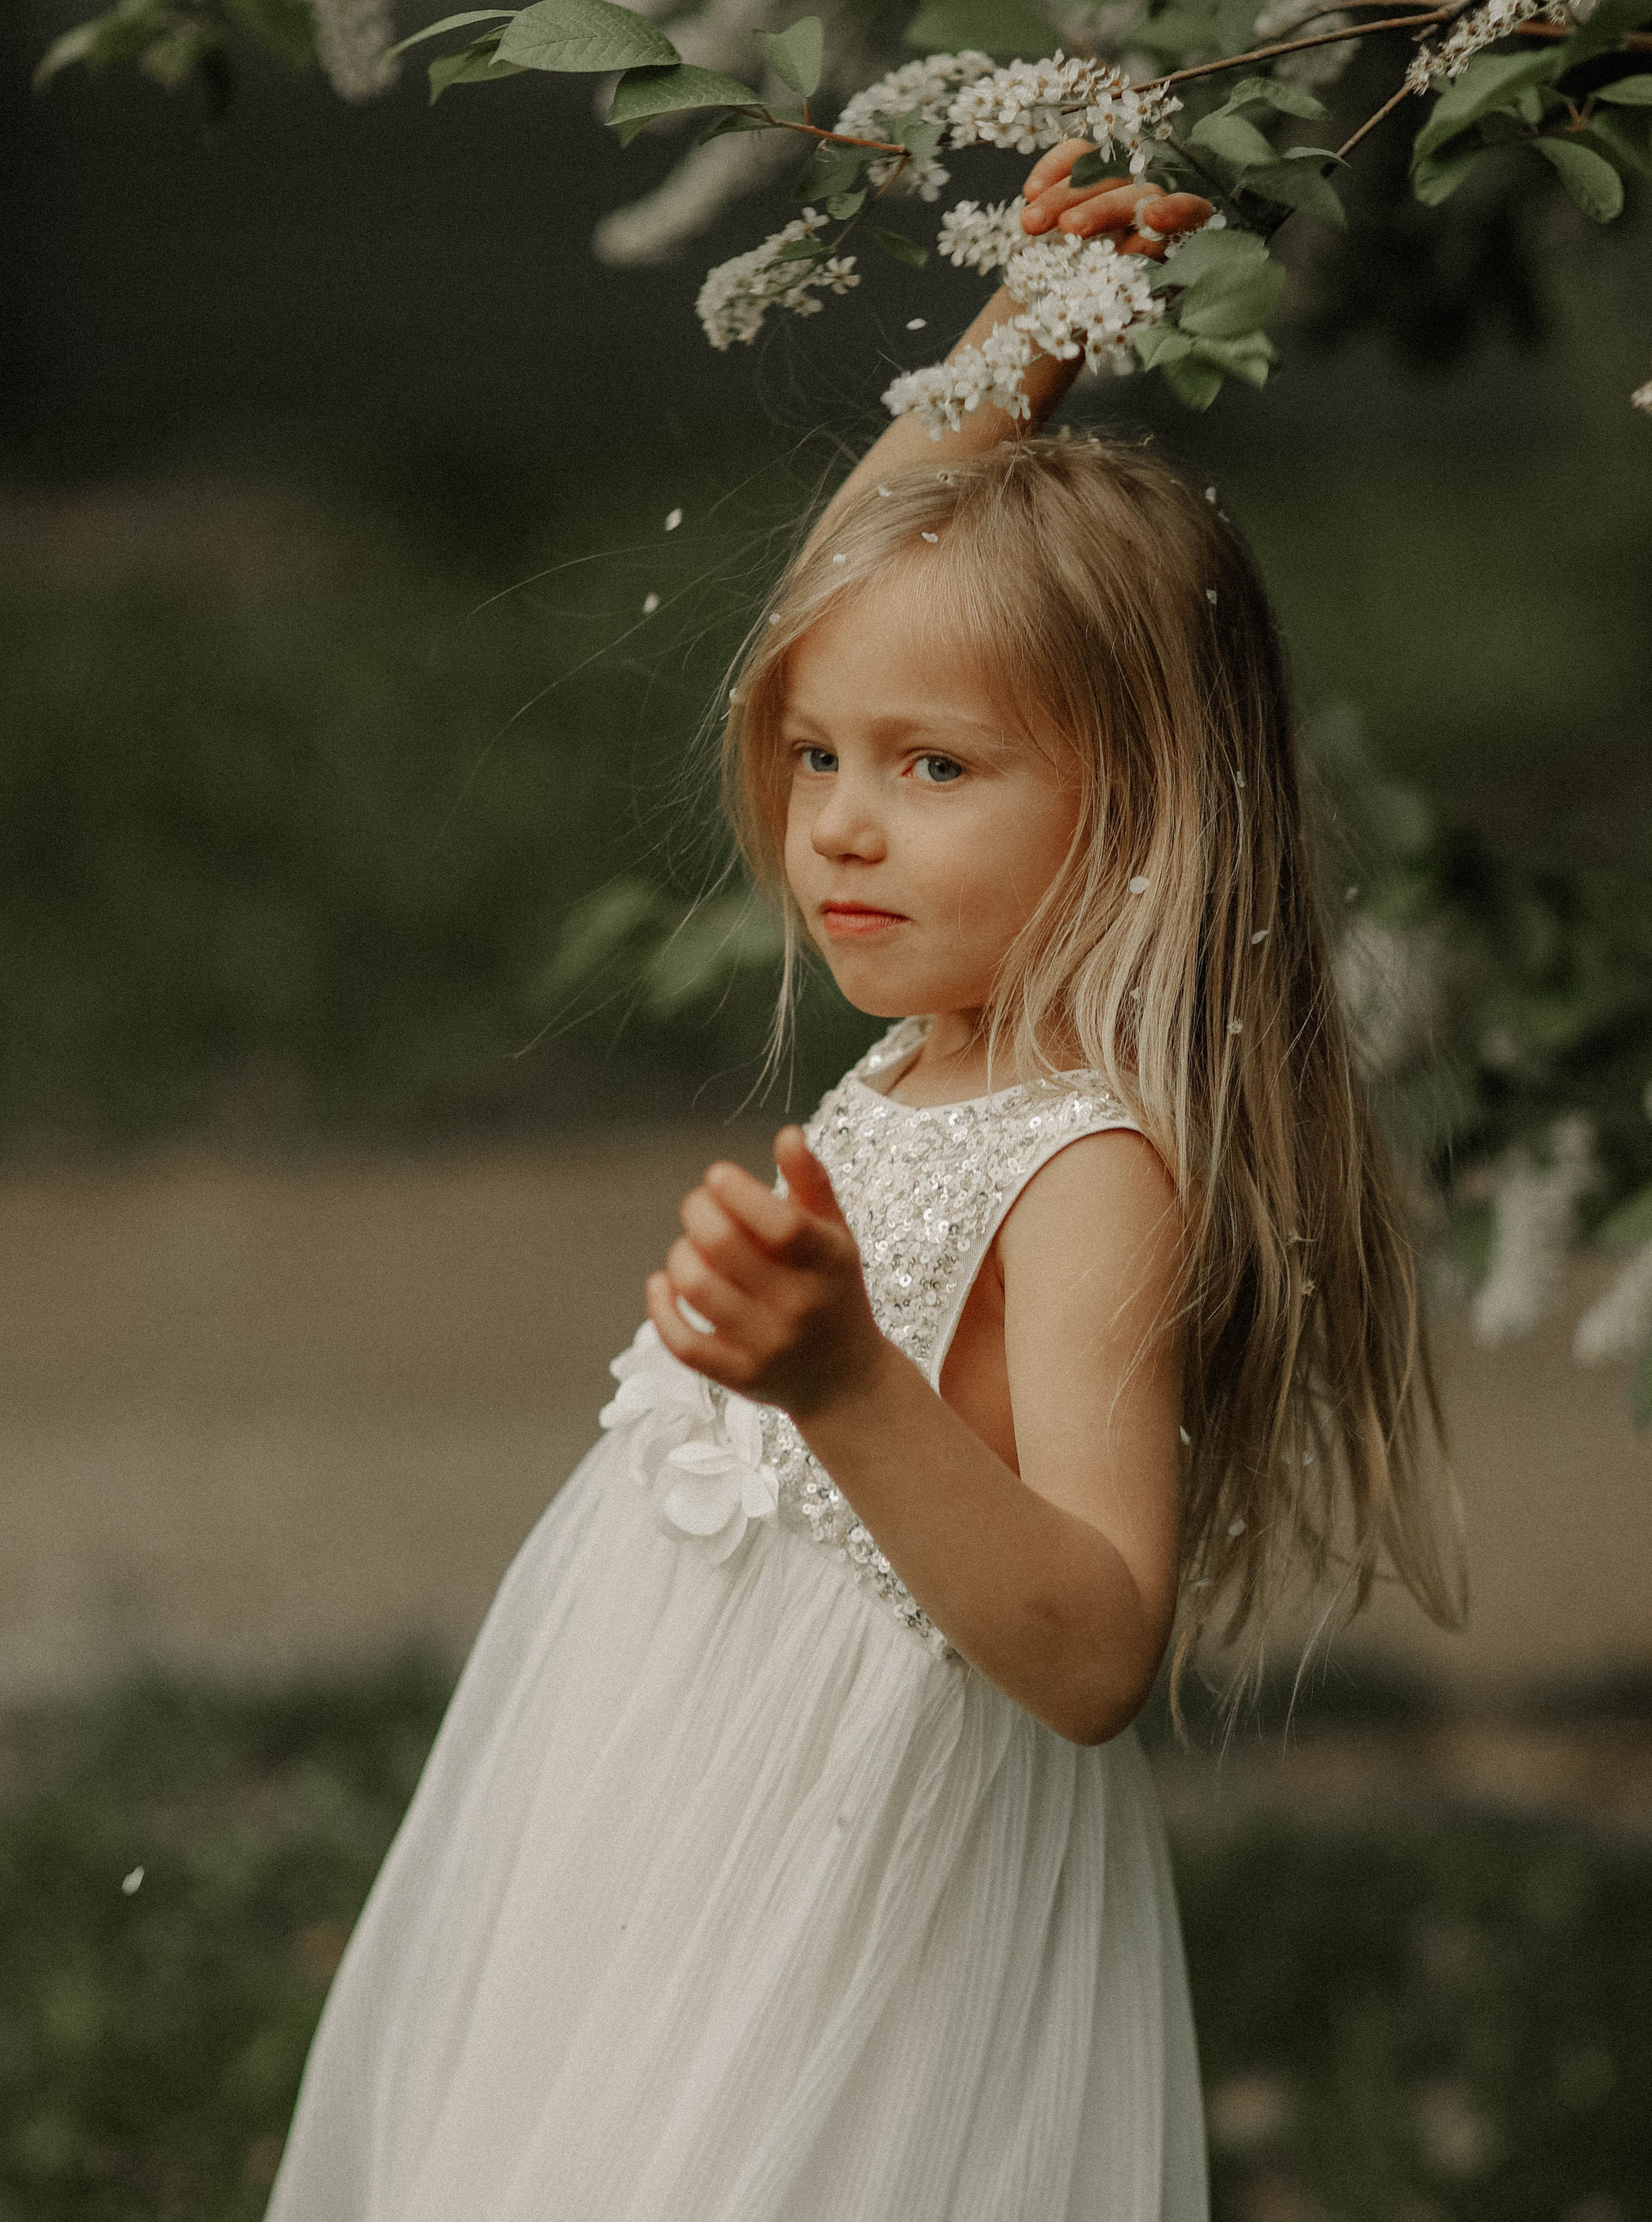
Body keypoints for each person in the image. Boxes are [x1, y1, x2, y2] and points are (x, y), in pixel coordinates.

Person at [263, 147, 1464, 2222]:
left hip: (848, 1873)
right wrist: (1016, 344)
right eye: (823, 759)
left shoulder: (1094, 1164)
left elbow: (1095, 1648)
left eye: (934, 771)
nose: (839, 829)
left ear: (1144, 805)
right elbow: (850, 599)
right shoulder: (937, 1037)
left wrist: (841, 1383)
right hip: (658, 1789)